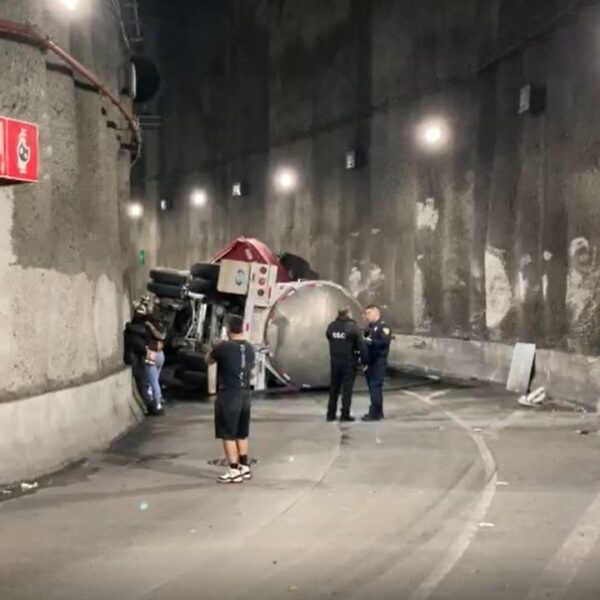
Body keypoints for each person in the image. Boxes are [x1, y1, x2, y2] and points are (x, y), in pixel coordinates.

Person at [208, 314, 256, 484]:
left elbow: (208, 361)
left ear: (228, 329)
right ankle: (245, 466)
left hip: (229, 394)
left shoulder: (223, 348)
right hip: (245, 395)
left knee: (228, 434)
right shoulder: (250, 348)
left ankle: (233, 470)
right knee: (242, 433)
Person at [325, 307, 368, 422]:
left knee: (334, 388)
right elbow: (361, 345)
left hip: (334, 361)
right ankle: (345, 414)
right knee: (347, 389)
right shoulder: (352, 327)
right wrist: (365, 361)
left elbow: (329, 337)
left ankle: (330, 414)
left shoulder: (331, 326)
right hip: (348, 361)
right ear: (348, 313)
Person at [362, 304, 392, 422]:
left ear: (376, 313)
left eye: (369, 313)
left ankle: (375, 414)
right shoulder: (369, 328)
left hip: (378, 361)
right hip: (370, 362)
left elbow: (384, 342)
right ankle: (377, 411)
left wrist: (370, 341)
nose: (367, 316)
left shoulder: (383, 327)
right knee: (372, 388)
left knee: (375, 387)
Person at [144, 321, 166, 416]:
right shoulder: (161, 329)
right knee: (155, 379)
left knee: (153, 382)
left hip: (151, 354)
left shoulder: (148, 329)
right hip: (160, 354)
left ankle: (157, 404)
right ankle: (156, 401)